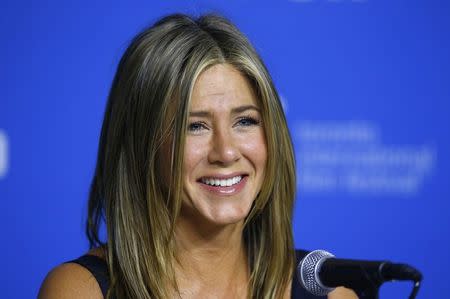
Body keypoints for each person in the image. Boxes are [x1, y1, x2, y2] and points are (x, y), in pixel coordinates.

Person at [38, 14, 357, 299]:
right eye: (195, 126)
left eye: (244, 121)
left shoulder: (329, 292)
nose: (226, 151)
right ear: (142, 146)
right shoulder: (80, 290)